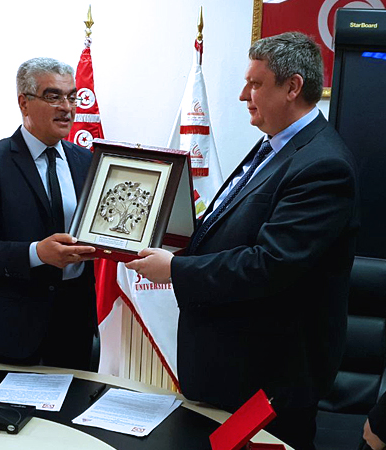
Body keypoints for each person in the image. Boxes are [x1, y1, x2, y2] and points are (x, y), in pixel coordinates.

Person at [126, 32, 359, 450]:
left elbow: (270, 264)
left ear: (292, 87)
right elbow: (233, 226)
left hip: (268, 382)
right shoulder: (278, 145)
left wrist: (175, 269)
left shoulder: (323, 164)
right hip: (230, 369)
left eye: (255, 84)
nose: (241, 96)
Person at [0, 57, 97, 370]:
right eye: (53, 96)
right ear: (24, 102)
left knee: (70, 419)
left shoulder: (88, 162)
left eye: (72, 96)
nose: (67, 107)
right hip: (10, 331)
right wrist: (38, 253)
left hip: (74, 326)